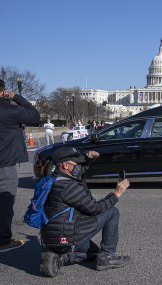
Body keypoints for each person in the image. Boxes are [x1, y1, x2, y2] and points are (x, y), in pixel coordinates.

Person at [40, 146, 130, 276]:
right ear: (66, 165)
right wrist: (116, 194)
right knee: (112, 211)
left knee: (94, 254)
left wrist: (87, 160)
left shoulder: (53, 178)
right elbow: (95, 208)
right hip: (69, 236)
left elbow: (77, 174)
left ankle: (61, 256)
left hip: (53, 236)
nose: (78, 165)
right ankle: (107, 257)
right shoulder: (68, 187)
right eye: (76, 163)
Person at [0, 79, 40, 252]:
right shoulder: (8, 109)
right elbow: (34, 115)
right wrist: (15, 96)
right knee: (5, 201)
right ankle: (3, 241)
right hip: (4, 163)